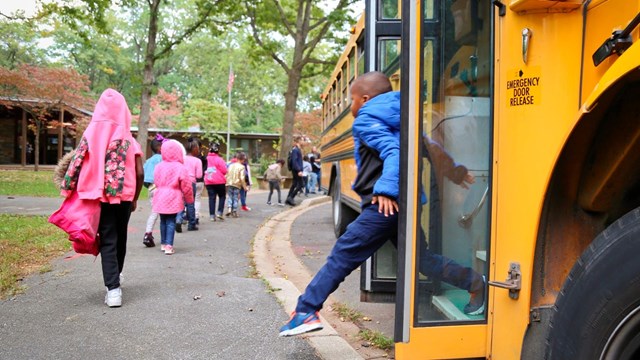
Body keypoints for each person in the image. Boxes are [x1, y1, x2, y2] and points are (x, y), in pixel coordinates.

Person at [279, 72, 484, 336]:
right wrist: (455, 172)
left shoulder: (366, 117)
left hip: (384, 206)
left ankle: (306, 310)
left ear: (364, 99)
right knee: (422, 260)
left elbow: (394, 152)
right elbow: (430, 148)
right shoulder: (404, 117)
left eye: (351, 100)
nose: (351, 107)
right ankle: (476, 282)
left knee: (344, 252)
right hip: (405, 204)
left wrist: (387, 190)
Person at [57, 89, 144, 308]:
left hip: (98, 196)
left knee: (107, 238)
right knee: (120, 236)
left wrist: (67, 187)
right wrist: (134, 197)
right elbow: (140, 172)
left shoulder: (90, 134)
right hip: (124, 195)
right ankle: (117, 275)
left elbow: (76, 161)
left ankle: (113, 290)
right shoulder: (128, 138)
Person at [152, 139, 194, 255]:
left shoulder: (159, 166)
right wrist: (189, 199)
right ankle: (169, 245)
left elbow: (155, 181)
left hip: (160, 194)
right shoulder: (180, 167)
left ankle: (163, 243)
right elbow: (186, 185)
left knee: (163, 220)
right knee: (171, 221)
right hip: (173, 195)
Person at [142, 135, 165, 247]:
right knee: (158, 213)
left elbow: (144, 176)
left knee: (155, 212)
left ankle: (149, 234)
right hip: (159, 187)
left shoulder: (148, 161)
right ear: (159, 148)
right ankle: (148, 234)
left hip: (150, 187)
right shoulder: (162, 159)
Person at [204, 143, 227, 221]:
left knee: (211, 198)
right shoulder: (220, 159)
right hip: (219, 181)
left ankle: (212, 216)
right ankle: (219, 212)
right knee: (222, 196)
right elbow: (224, 171)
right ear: (217, 151)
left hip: (209, 181)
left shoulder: (206, 159)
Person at [184, 137, 203, 231]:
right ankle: (191, 224)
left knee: (181, 202)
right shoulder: (197, 161)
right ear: (195, 149)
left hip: (181, 181)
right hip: (191, 183)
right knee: (190, 203)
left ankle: (178, 220)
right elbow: (199, 175)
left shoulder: (182, 158)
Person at [225, 152, 247, 218]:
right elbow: (242, 178)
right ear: (242, 159)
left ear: (236, 158)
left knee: (229, 196)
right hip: (237, 185)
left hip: (229, 183)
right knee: (235, 197)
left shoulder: (231, 165)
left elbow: (227, 174)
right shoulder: (242, 167)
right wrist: (245, 187)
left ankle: (229, 208)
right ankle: (234, 211)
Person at [285, 135, 304, 206]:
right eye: (302, 140)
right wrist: (299, 170)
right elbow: (294, 161)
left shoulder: (297, 149)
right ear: (298, 141)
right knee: (301, 184)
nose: (303, 141)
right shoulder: (295, 150)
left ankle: (288, 199)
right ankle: (291, 197)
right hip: (296, 170)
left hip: (296, 169)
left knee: (294, 184)